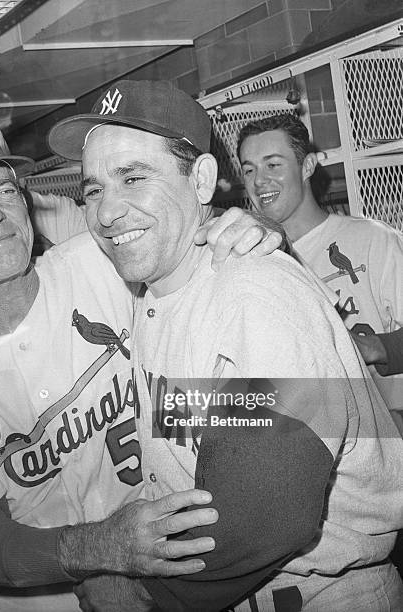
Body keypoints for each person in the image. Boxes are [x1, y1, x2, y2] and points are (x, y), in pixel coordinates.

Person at [0, 112, 284, 612]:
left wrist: (256, 227)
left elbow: (192, 227)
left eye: (5, 191)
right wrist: (101, 549)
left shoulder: (102, 258)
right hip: (47, 600)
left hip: (185, 575)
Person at [47, 79, 403, 611]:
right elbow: (211, 439)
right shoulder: (161, 293)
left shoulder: (248, 291)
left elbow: (265, 511)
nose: (106, 211)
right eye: (94, 188)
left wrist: (141, 590)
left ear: (202, 181)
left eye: (133, 178)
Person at [237, 113, 403, 431]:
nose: (258, 181)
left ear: (308, 166)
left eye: (273, 165)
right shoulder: (249, 264)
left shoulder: (372, 239)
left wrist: (374, 347)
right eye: (249, 169)